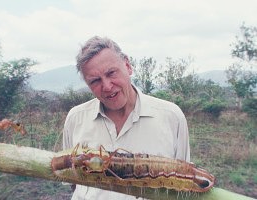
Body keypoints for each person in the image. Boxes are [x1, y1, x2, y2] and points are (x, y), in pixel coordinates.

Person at [62, 36, 190, 200]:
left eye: (111, 73)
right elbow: (72, 181)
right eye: (95, 81)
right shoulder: (75, 119)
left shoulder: (171, 117)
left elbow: (182, 183)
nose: (107, 86)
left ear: (128, 66)